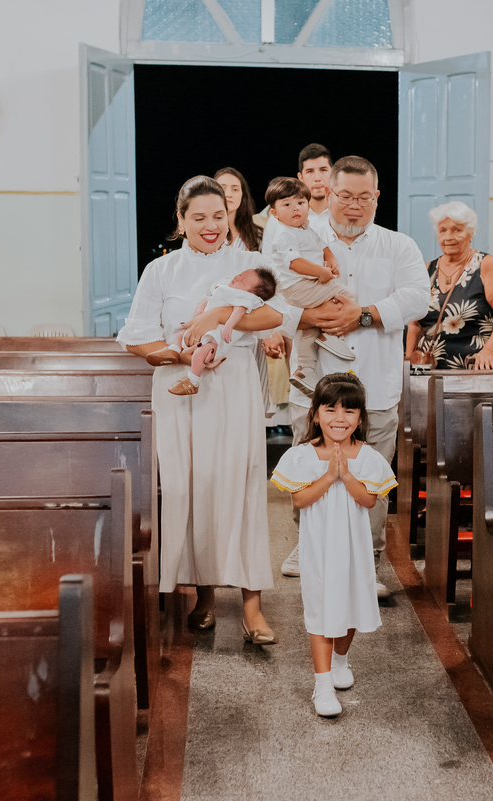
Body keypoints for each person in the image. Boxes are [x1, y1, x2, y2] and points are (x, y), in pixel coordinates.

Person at [116, 175, 286, 642]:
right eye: (199, 218)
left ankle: (253, 605)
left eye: (218, 216)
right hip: (180, 388)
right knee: (193, 488)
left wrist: (213, 317)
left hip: (234, 389)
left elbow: (277, 314)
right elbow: (136, 336)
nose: (211, 226)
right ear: (181, 220)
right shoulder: (161, 271)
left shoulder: (250, 261)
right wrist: (176, 354)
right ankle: (205, 595)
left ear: (229, 215)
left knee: (243, 484)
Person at [277, 156, 429, 591]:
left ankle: (370, 559)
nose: (353, 206)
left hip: (375, 385)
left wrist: (365, 315)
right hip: (313, 385)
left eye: (364, 198)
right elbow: (271, 302)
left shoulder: (398, 246)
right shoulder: (300, 241)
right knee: (308, 464)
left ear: (376, 198)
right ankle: (306, 546)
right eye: (344, 196)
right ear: (328, 194)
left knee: (370, 475)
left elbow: (419, 298)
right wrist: (311, 317)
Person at [271, 374, 395, 717]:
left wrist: (347, 475)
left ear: (360, 418)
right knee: (323, 612)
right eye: (331, 409)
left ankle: (341, 661)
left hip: (355, 550)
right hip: (320, 551)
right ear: (315, 414)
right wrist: (329, 476)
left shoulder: (367, 457)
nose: (339, 418)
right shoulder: (303, 456)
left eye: (349, 411)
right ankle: (322, 684)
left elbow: (369, 501)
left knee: (352, 606)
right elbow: (300, 500)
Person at [264, 176, 355, 395]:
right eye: (287, 204)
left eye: (301, 203)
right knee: (344, 293)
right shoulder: (284, 234)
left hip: (304, 286)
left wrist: (330, 257)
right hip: (297, 287)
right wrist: (322, 272)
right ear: (274, 214)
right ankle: (331, 335)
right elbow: (295, 263)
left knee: (308, 328)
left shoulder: (305, 228)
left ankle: (304, 370)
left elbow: (322, 247)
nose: (296, 209)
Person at [405, 201, 493, 370]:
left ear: (470, 233)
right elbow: (414, 323)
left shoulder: (486, 265)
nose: (448, 237)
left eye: (456, 230)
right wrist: (408, 360)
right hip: (429, 368)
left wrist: (488, 351)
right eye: (442, 230)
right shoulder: (427, 270)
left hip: (477, 367)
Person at [146, 267, 279, 395]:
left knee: (200, 352)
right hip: (202, 326)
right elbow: (209, 299)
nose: (237, 277)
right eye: (241, 274)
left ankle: (193, 381)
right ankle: (173, 350)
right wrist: (200, 310)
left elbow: (238, 313)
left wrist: (228, 326)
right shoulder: (226, 287)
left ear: (251, 293)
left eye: (242, 281)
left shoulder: (243, 298)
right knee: (181, 332)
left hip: (216, 336)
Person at [261, 143, 333, 257]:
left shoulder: (343, 214)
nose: (317, 178)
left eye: (323, 170)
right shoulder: (278, 219)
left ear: (333, 174)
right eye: (310, 171)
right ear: (300, 177)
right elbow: (268, 263)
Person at [215, 167, 263, 252]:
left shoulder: (258, 235)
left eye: (235, 189)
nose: (229, 194)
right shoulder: (199, 232)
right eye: (222, 188)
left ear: (242, 195)